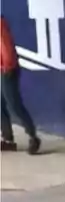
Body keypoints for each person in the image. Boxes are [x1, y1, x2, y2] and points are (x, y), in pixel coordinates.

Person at [0, 15, 40, 155]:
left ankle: (33, 137)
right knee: (0, 104)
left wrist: (8, 67)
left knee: (14, 104)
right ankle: (8, 139)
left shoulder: (0, 23)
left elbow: (6, 45)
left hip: (8, 69)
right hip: (1, 69)